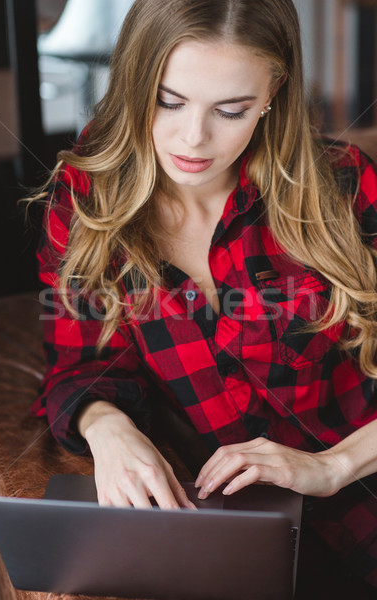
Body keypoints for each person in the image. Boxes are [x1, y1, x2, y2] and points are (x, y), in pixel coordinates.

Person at [31, 0, 377, 592]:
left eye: (231, 109)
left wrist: (332, 466)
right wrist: (105, 425)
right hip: (225, 538)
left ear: (273, 94)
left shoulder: (345, 186)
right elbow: (78, 363)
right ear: (135, 82)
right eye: (168, 101)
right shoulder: (85, 196)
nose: (194, 137)